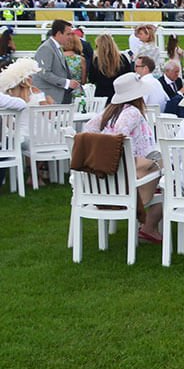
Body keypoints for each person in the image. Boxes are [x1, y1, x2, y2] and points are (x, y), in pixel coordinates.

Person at [82, 73, 164, 242]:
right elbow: (119, 135)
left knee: (159, 164)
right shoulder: (132, 112)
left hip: (107, 177)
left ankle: (148, 224)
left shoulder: (109, 111)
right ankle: (149, 227)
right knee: (168, 173)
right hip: (127, 175)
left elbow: (88, 130)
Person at [32, 19, 81, 105]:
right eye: (68, 34)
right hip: (49, 98)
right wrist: (66, 83)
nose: (70, 37)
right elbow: (44, 73)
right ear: (58, 34)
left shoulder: (57, 47)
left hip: (58, 95)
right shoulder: (46, 48)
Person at [90, 34, 132, 106]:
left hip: (101, 96)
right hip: (119, 94)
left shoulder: (96, 61)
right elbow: (128, 76)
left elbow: (92, 79)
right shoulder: (122, 59)